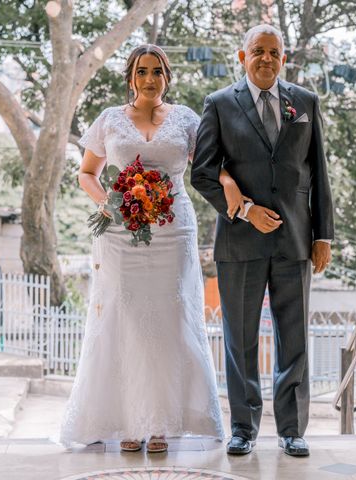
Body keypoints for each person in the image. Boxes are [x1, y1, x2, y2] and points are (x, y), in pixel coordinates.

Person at [59, 44, 224, 453]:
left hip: (173, 231)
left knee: (169, 319)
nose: (150, 79)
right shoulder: (110, 120)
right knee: (125, 318)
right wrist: (110, 205)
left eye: (157, 72)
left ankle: (162, 424)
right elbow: (87, 174)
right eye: (142, 71)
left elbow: (209, 165)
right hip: (120, 234)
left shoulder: (187, 119)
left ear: (167, 77)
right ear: (130, 77)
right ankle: (130, 422)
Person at [191, 24, 334, 457]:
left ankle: (292, 429)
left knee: (295, 338)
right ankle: (243, 428)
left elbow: (320, 174)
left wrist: (323, 233)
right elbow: (202, 171)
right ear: (242, 56)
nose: (266, 59)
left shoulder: (305, 102)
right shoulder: (218, 104)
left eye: (274, 52)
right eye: (258, 51)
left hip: (295, 241)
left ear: (283, 59)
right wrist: (245, 208)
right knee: (241, 340)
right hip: (239, 241)